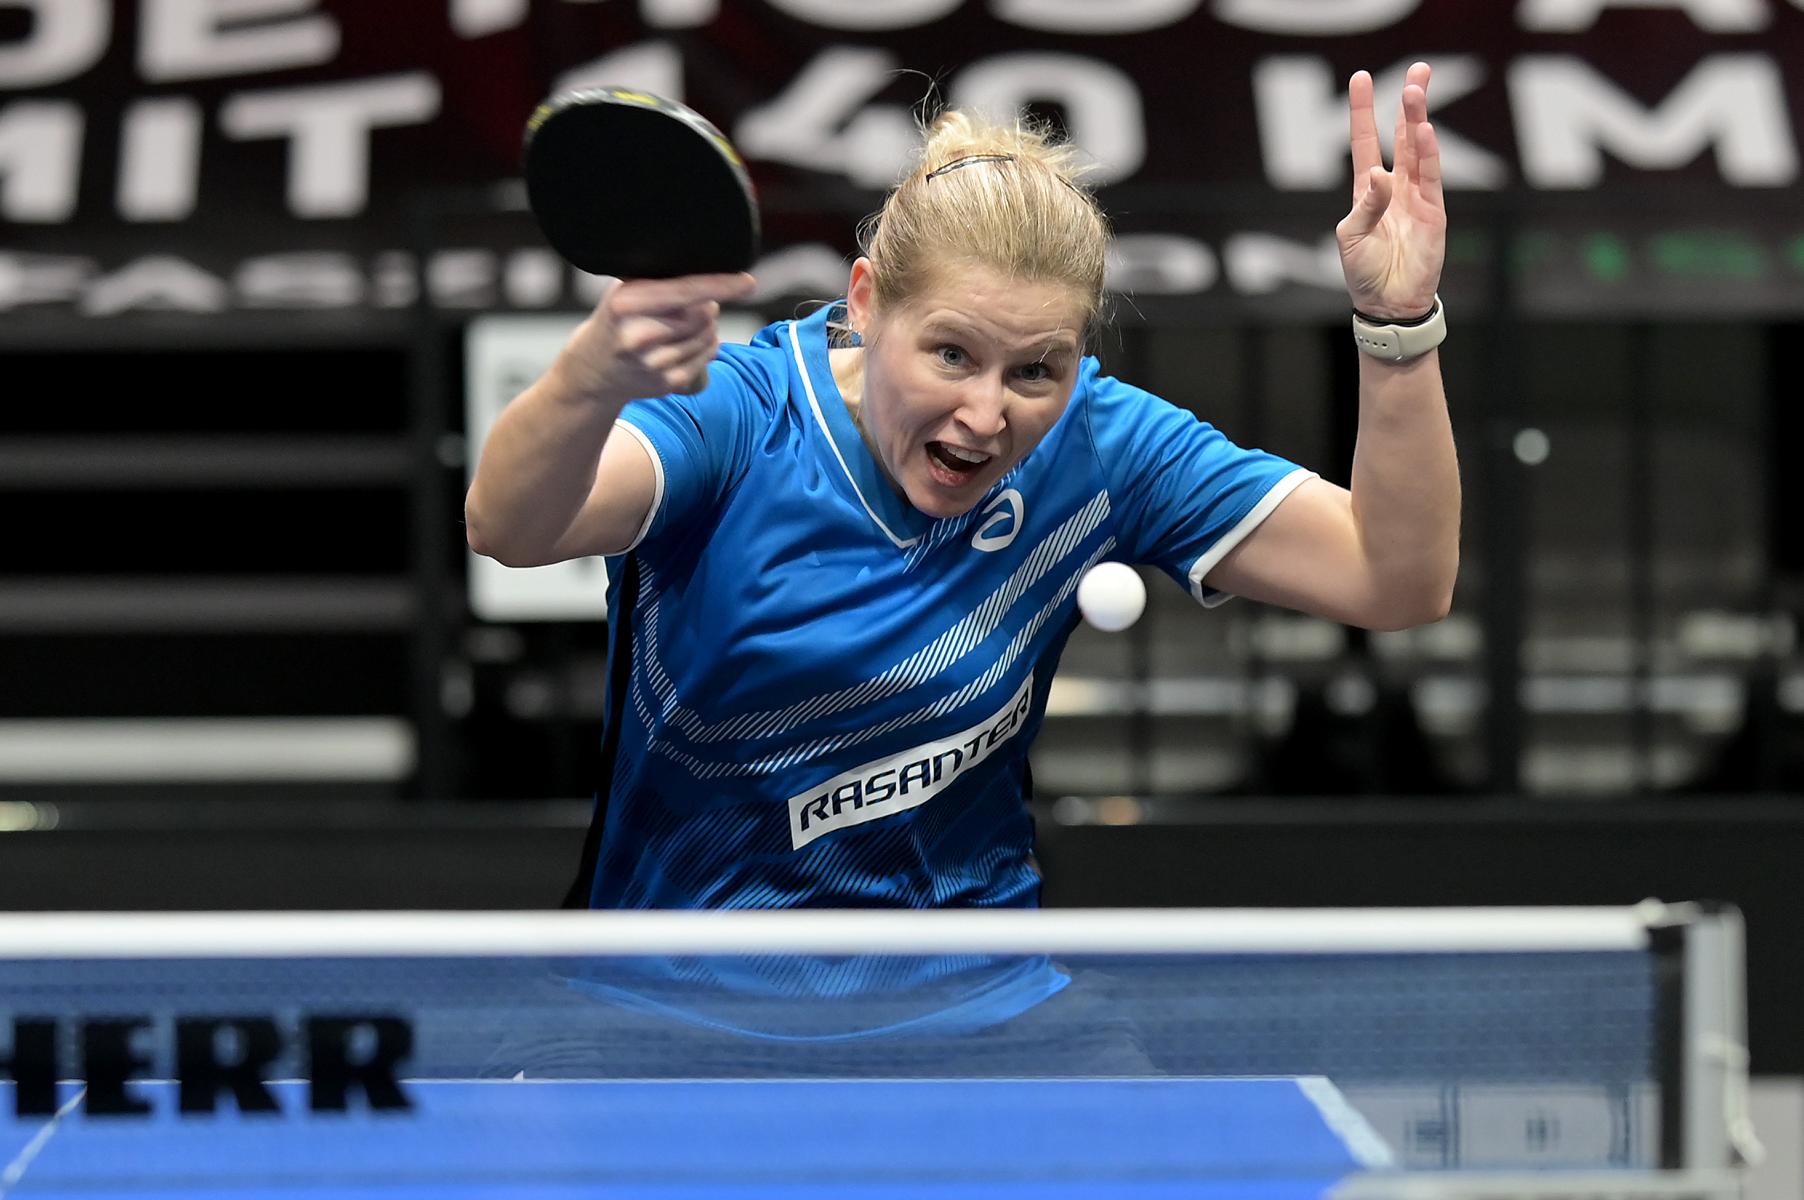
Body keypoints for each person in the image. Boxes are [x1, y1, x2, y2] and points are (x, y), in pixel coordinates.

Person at [464, 66, 1457, 1051]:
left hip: (978, 1014)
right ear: (865, 302)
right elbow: (509, 526)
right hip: (673, 1013)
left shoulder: (1099, 446)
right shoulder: (743, 417)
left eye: (1035, 370)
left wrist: (1399, 325)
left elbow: (1394, 579)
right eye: (951, 355)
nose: (985, 414)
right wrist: (589, 380)